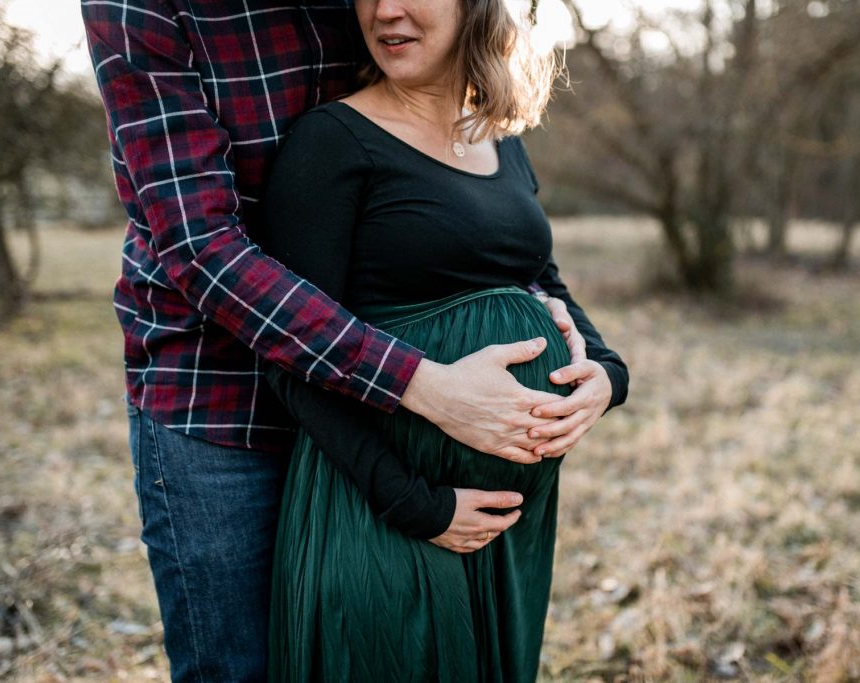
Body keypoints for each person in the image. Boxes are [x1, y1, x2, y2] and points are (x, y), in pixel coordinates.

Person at [80, 1, 621, 680]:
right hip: (219, 389)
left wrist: (605, 373)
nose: (383, 9)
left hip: (403, 432)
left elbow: (522, 265)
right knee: (245, 666)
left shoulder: (485, 128)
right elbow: (200, 245)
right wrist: (424, 393)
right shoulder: (144, 10)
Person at [259, 0, 629, 680]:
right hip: (383, 510)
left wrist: (607, 376)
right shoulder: (332, 141)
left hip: (506, 534)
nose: (385, 10)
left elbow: (539, 279)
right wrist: (419, 505)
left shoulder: (500, 137)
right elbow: (290, 353)